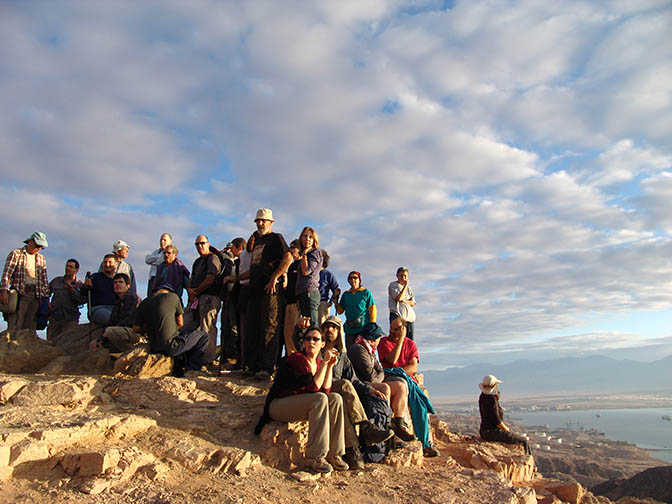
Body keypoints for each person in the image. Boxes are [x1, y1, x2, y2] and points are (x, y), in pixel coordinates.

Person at [255, 326, 349, 473]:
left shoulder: (318, 363)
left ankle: (334, 454)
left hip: (300, 402)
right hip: (279, 405)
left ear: (322, 344)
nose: (311, 342)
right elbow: (313, 388)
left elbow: (326, 389)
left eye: (315, 339)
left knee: (335, 398)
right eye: (308, 339)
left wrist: (329, 366)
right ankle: (315, 457)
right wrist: (325, 362)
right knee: (319, 399)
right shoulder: (297, 359)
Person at [320, 315, 394, 469]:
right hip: (320, 388)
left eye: (333, 327)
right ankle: (366, 427)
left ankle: (353, 451)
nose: (329, 330)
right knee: (344, 386)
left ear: (339, 331)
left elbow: (354, 379)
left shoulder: (342, 356)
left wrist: (370, 389)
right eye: (327, 326)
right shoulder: (316, 348)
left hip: (337, 394)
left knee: (342, 402)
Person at [378, 317, 439, 457]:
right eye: (391, 328)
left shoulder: (411, 344)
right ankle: (401, 434)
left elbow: (413, 366)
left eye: (395, 329)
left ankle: (425, 443)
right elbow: (392, 360)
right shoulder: (384, 342)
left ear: (403, 329)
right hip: (391, 378)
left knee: (419, 404)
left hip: (405, 378)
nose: (391, 331)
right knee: (402, 388)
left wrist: (400, 371)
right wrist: (400, 341)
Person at [347, 322, 415, 444]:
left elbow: (380, 371)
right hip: (361, 383)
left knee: (400, 385)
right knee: (385, 388)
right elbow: (372, 376)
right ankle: (386, 426)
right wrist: (379, 375)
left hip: (371, 381)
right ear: (373, 338)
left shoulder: (369, 351)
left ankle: (398, 425)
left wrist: (379, 374)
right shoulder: (358, 350)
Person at [245, 209, 292, 381]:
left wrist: (275, 277)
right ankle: (253, 366)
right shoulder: (257, 240)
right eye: (258, 220)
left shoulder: (276, 238)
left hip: (270, 290)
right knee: (253, 328)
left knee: (270, 327)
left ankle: (266, 367)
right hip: (254, 290)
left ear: (271, 222)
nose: (260, 223)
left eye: (264, 220)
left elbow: (288, 257)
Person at [134, 283, 209, 376]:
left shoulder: (144, 302)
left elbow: (136, 328)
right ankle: (193, 369)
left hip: (154, 348)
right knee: (203, 336)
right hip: (171, 347)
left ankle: (178, 369)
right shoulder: (173, 297)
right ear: (169, 291)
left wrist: (152, 327)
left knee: (181, 338)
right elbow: (180, 323)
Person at [1, 231, 50, 333]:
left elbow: (44, 280)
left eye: (41, 247)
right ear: (30, 242)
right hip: (20, 293)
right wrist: (4, 290)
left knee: (30, 326)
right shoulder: (16, 254)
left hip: (35, 295)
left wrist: (45, 299)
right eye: (37, 245)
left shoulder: (41, 259)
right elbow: (7, 273)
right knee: (16, 323)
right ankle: (11, 345)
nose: (38, 248)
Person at [187, 234, 222, 367]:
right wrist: (190, 290)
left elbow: (210, 279)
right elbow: (192, 278)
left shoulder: (213, 258)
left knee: (207, 328)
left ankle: (207, 360)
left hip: (210, 297)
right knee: (190, 326)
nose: (200, 246)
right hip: (197, 298)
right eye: (197, 244)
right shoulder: (197, 261)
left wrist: (196, 291)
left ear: (208, 243)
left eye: (202, 243)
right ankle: (192, 358)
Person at [478, 375, 531, 455]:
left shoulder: (483, 396)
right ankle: (526, 458)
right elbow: (497, 420)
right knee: (523, 441)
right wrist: (506, 429)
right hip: (491, 432)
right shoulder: (491, 399)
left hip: (485, 431)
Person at [91, 273, 142, 352]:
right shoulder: (118, 302)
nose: (117, 284)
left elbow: (128, 321)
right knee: (99, 342)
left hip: (137, 334)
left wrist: (107, 334)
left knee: (110, 332)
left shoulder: (132, 298)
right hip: (124, 332)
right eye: (115, 282)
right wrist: (101, 339)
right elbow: (112, 321)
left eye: (120, 282)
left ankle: (133, 352)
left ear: (128, 285)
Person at [219, 237, 246, 368]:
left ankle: (236, 356)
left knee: (235, 328)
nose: (231, 250)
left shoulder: (242, 262)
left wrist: (231, 279)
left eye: (233, 248)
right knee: (230, 327)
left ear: (239, 248)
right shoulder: (237, 262)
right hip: (234, 298)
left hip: (238, 299)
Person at [47, 258, 86, 341]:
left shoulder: (80, 285)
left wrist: (72, 291)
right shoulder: (56, 281)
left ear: (76, 270)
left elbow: (82, 301)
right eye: (67, 266)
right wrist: (47, 303)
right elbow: (46, 293)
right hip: (55, 318)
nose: (68, 268)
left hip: (70, 319)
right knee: (50, 344)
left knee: (68, 344)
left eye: (71, 267)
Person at [334, 271, 376, 348]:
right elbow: (340, 311)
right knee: (350, 351)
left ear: (359, 280)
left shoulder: (365, 292)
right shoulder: (346, 294)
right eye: (350, 278)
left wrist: (372, 324)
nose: (352, 279)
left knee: (363, 350)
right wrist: (336, 300)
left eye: (355, 277)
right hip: (350, 329)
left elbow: (372, 308)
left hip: (363, 327)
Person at [295, 227, 322, 326]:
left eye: (311, 237)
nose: (308, 239)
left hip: (310, 292)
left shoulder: (315, 252)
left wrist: (305, 254)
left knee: (312, 324)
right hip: (303, 292)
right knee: (304, 325)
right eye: (305, 236)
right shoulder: (304, 254)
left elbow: (306, 271)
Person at [81, 254, 118, 325]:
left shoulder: (117, 280)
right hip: (98, 309)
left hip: (115, 309)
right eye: (105, 262)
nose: (107, 264)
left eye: (110, 262)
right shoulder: (95, 277)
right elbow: (83, 293)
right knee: (112, 319)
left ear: (116, 264)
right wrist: (85, 286)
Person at [282, 240, 301, 356]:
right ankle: (291, 358)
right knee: (287, 333)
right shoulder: (291, 266)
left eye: (293, 248)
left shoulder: (301, 264)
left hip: (296, 303)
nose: (291, 250)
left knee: (295, 334)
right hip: (288, 302)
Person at [388, 266, 416, 340]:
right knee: (397, 339)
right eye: (401, 276)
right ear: (397, 276)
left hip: (409, 318)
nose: (403, 278)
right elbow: (398, 298)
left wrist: (404, 301)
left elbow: (413, 302)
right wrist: (405, 286)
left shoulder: (409, 288)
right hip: (397, 315)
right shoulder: (393, 285)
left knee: (409, 341)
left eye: (405, 276)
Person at [317, 250, 339, 326]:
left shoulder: (328, 274)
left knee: (321, 327)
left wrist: (330, 302)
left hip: (322, 303)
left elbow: (336, 289)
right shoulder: (312, 273)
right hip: (310, 303)